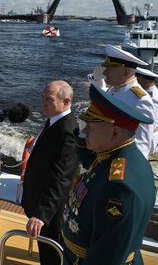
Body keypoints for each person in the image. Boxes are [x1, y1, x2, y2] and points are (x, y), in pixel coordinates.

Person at [61, 84, 155, 265]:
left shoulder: (120, 186)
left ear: (114, 132)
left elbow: (106, 257)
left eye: (90, 127)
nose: (84, 131)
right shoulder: (115, 156)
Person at [21, 80, 79, 265]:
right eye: (42, 97)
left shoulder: (67, 132)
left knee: (51, 255)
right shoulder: (55, 122)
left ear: (66, 102)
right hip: (41, 203)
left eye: (49, 99)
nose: (43, 102)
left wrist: (41, 214)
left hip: (52, 213)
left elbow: (61, 178)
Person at [91, 44, 155, 158]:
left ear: (126, 71)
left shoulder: (140, 99)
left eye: (110, 69)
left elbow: (142, 146)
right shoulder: (113, 89)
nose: (105, 73)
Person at [136, 66, 158, 155]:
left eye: (136, 78)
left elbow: (151, 124)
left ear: (144, 81)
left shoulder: (152, 99)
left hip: (147, 142)